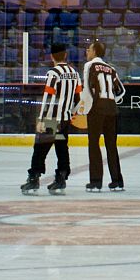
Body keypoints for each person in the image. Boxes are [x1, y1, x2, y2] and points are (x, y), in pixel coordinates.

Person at [20, 43, 82, 195]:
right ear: (65, 55)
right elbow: (80, 96)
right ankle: (61, 178)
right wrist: (71, 112)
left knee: (40, 149)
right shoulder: (74, 72)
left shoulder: (53, 73)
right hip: (65, 118)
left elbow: (48, 97)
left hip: (51, 118)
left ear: (51, 56)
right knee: (61, 147)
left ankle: (34, 178)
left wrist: (41, 119)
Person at [75, 40, 126, 192]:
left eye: (89, 49)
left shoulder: (89, 66)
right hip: (112, 110)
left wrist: (85, 109)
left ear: (95, 52)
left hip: (96, 109)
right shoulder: (111, 68)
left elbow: (87, 89)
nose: (87, 52)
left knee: (94, 144)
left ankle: (96, 182)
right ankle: (117, 181)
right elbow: (121, 91)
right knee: (111, 146)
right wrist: (111, 101)